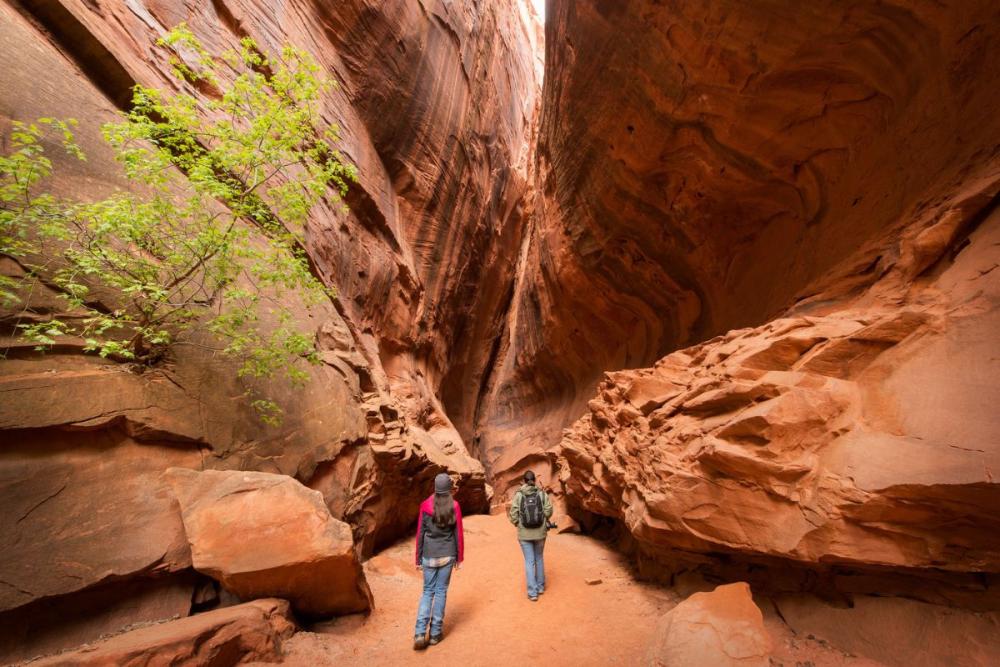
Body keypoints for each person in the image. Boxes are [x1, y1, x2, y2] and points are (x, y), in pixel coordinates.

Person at [413, 472, 465, 650]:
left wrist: (418, 558)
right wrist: (460, 557)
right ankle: (435, 634)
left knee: (428, 591)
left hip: (429, 554)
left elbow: (420, 533)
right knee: (441, 591)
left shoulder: (425, 505)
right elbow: (458, 533)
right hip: (447, 554)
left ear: (435, 487)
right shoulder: (455, 505)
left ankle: (420, 633)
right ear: (449, 488)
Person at [508, 470, 553, 601]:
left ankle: (533, 593)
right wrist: (544, 520)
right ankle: (540, 587)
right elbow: (549, 510)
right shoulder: (541, 493)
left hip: (524, 534)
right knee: (539, 558)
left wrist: (518, 524)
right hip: (540, 533)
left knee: (529, 561)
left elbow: (513, 513)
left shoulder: (519, 495)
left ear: (524, 481)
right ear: (534, 480)